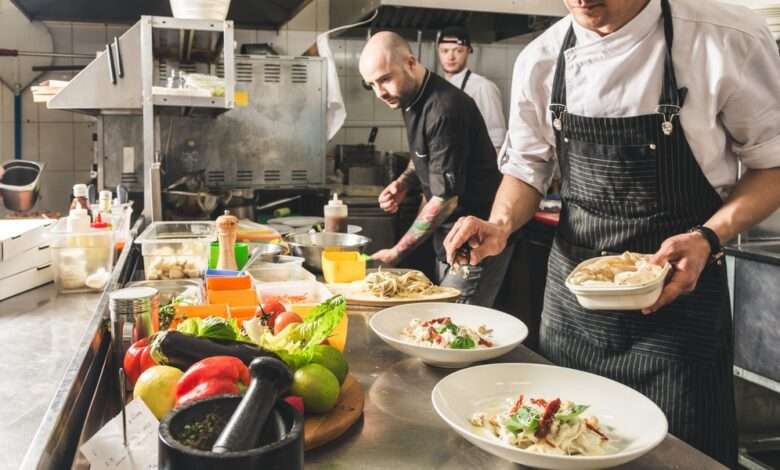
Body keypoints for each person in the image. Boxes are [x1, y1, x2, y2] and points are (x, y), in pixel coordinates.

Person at [443, 0, 780, 466]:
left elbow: (773, 166)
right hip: (572, 315)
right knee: (557, 447)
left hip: (677, 310)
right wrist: (500, 224)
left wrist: (709, 236)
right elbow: (527, 167)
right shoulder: (541, 58)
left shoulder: (724, 38)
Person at [359, 31, 512, 307]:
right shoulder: (409, 98)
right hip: (447, 237)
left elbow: (445, 199)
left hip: (475, 240)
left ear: (410, 62)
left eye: (384, 79)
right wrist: (404, 183)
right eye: (371, 84)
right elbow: (423, 155)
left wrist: (396, 252)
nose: (380, 92)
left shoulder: (445, 109)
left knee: (455, 326)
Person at [436, 26, 507, 153]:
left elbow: (497, 140)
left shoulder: (483, 87)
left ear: (468, 51)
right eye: (445, 51)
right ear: (438, 52)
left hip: (473, 169)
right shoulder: (438, 88)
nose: (451, 57)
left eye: (458, 51)